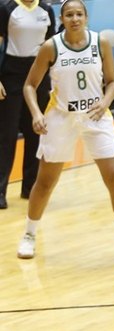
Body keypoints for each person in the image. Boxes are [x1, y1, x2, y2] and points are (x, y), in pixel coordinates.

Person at [16, 0, 114, 262]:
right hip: (61, 117)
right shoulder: (50, 47)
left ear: (86, 17)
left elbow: (112, 82)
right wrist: (36, 113)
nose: (74, 18)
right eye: (69, 14)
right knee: (45, 181)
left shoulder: (101, 43)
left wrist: (105, 101)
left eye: (79, 14)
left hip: (95, 115)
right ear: (62, 18)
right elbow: (30, 86)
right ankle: (29, 235)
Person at [0, 0, 55, 209]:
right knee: (7, 134)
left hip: (39, 73)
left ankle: (30, 188)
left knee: (36, 130)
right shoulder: (6, 8)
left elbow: (50, 47)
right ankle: (0, 191)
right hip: (11, 74)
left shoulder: (47, 10)